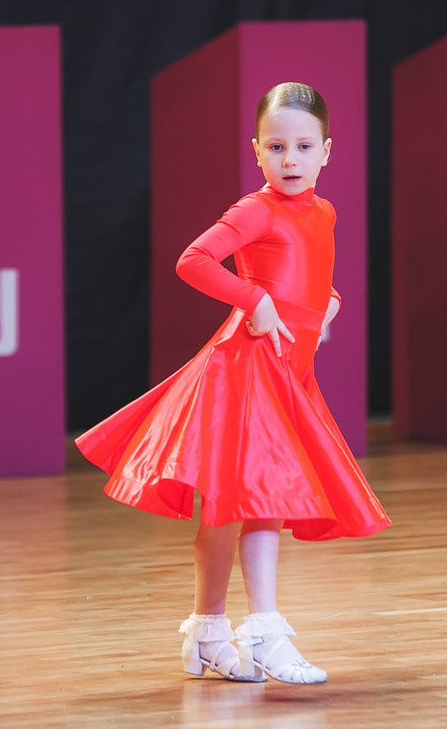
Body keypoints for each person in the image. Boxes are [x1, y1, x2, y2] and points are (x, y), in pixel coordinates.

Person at [76, 83, 390, 685]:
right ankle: (266, 631)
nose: (290, 159)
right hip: (246, 369)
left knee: (226, 509)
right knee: (261, 501)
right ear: (257, 151)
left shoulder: (323, 210)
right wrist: (254, 299)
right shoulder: (256, 209)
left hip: (287, 372)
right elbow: (193, 260)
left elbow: (311, 273)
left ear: (328, 151)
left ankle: (207, 633)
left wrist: (328, 303)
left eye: (303, 146)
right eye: (277, 147)